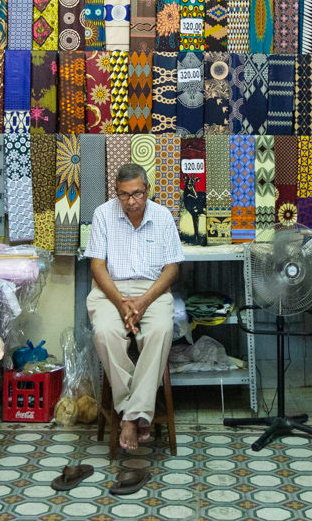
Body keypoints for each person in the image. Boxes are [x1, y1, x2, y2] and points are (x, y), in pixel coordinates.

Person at [84, 163, 184, 451]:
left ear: (147, 190)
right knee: (105, 333)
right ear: (116, 193)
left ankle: (129, 415)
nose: (131, 201)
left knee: (161, 330)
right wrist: (122, 304)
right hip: (110, 291)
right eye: (124, 195)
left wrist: (142, 302)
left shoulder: (163, 217)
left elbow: (171, 269)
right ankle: (137, 413)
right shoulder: (104, 214)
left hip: (151, 292)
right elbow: (97, 266)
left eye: (137, 194)